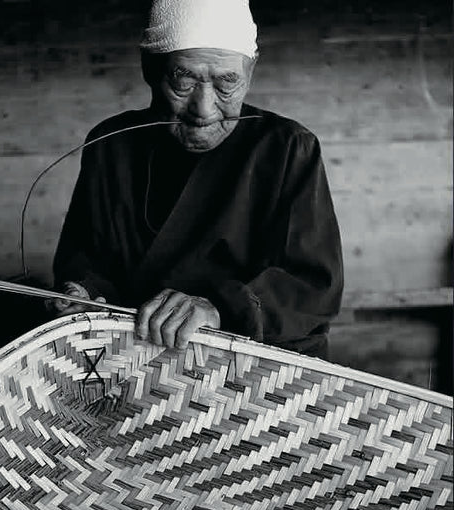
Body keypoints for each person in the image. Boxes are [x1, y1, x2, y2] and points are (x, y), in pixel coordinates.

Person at [51, 0, 343, 355]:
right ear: (150, 69)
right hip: (131, 359)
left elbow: (312, 287)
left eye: (226, 83)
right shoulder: (112, 143)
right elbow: (86, 257)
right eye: (184, 80)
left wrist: (217, 310)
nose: (203, 109)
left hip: (253, 365)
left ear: (249, 75)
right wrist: (83, 291)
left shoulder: (287, 148)